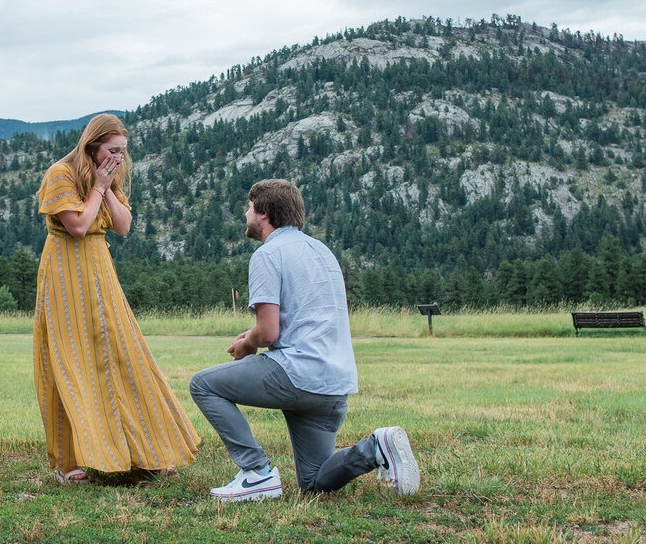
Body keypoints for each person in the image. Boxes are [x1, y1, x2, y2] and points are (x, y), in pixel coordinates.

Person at [189, 178, 420, 501]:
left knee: (203, 384)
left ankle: (256, 472)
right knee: (313, 481)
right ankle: (374, 447)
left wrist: (248, 343)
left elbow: (269, 332)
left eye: (249, 208)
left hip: (297, 374)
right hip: (335, 385)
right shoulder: (323, 252)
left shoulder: (268, 255)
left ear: (264, 213)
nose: (245, 214)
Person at [33, 113, 200, 483]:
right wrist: (96, 188)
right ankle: (69, 462)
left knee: (124, 356)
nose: (118, 159)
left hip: (99, 270)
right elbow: (77, 226)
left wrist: (106, 186)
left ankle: (145, 452)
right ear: (92, 147)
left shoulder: (110, 176)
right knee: (70, 361)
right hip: (65, 272)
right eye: (112, 151)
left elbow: (122, 226)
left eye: (122, 152)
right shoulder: (59, 174)